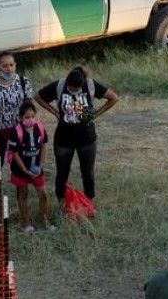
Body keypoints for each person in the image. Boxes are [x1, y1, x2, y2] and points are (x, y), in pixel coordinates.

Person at [34, 66, 119, 210]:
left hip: (87, 139)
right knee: (62, 172)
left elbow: (114, 98)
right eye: (71, 88)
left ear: (83, 83)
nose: (73, 91)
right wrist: (55, 112)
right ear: (67, 82)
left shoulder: (91, 85)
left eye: (77, 88)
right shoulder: (60, 85)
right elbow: (37, 96)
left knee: (88, 172)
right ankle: (61, 203)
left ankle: (89, 203)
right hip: (64, 138)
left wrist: (95, 115)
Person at [7, 100, 53, 233]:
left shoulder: (40, 128)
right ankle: (26, 223)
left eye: (33, 116)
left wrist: (40, 165)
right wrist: (25, 170)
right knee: (23, 194)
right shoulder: (16, 132)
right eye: (27, 117)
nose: (30, 120)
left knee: (43, 194)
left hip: (37, 169)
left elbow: (43, 146)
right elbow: (14, 153)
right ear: (21, 118)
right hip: (21, 170)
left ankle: (45, 221)